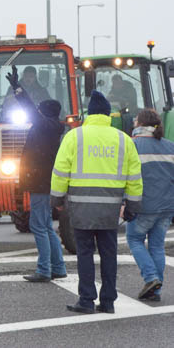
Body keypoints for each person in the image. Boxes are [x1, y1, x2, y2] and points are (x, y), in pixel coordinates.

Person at [51, 90, 142, 315]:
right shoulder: (123, 139)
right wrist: (132, 206)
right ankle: (108, 301)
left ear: (89, 114)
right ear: (108, 114)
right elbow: (134, 177)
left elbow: (60, 171)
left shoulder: (75, 136)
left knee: (85, 253)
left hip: (81, 207)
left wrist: (57, 199)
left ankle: (87, 299)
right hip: (110, 209)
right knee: (109, 254)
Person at [5, 66, 67, 283]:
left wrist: (18, 89)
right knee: (47, 226)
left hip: (40, 183)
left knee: (39, 226)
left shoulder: (45, 125)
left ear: (46, 112)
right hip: (45, 182)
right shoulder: (51, 126)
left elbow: (30, 109)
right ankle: (58, 267)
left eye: (41, 110)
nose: (37, 112)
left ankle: (44, 270)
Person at [126, 109, 174, 302]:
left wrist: (124, 202)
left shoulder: (132, 145)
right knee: (157, 247)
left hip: (143, 205)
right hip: (166, 206)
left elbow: (127, 177)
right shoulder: (170, 146)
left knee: (134, 240)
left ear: (139, 124)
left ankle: (151, 278)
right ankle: (155, 290)